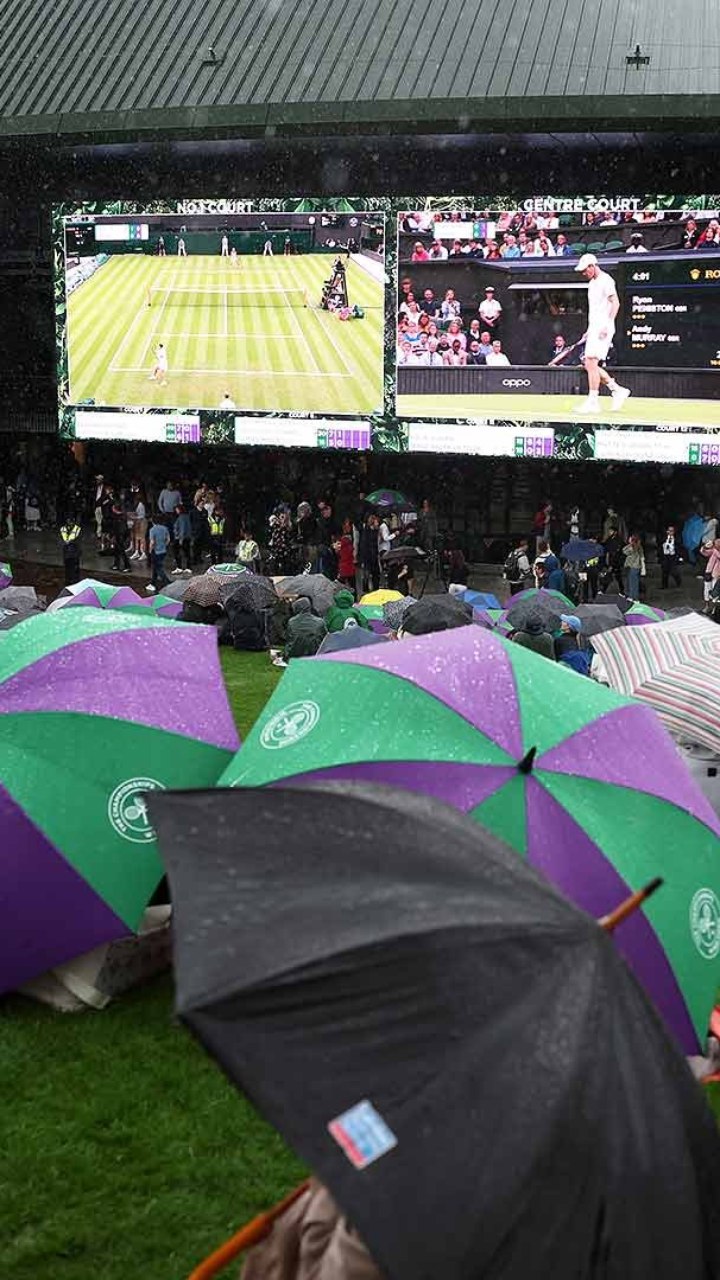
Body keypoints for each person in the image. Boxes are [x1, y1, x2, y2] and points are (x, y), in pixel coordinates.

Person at [574, 254, 630, 413]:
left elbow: (616, 303)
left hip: (604, 328)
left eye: (585, 270)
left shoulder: (607, 280)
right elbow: (596, 310)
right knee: (588, 363)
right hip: (595, 327)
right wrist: (589, 330)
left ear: (592, 266)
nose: (583, 273)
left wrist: (607, 325)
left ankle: (593, 402)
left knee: (590, 361)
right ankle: (617, 390)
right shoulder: (592, 284)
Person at [146, 514, 171, 593]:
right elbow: (168, 539)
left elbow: (152, 542)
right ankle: (153, 582)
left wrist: (150, 550)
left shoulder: (152, 530)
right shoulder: (165, 528)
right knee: (156, 567)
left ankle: (167, 582)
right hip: (163, 550)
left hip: (156, 551)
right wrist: (164, 545)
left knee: (158, 568)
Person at [358, 513, 381, 593]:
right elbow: (364, 544)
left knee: (375, 574)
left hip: (374, 554)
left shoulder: (375, 530)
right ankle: (366, 588)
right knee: (367, 573)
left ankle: (375, 588)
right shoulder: (366, 530)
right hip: (368, 555)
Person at [59, 515, 82, 586]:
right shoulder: (63, 529)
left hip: (74, 551)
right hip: (67, 551)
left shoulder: (77, 529)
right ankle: (69, 580)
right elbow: (66, 540)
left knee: (74, 567)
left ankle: (75, 580)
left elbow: (71, 539)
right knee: (68, 567)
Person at [602, 526, 625, 592]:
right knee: (613, 575)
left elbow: (618, 553)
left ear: (615, 532)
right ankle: (604, 589)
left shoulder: (618, 541)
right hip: (610, 559)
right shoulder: (609, 539)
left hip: (615, 561)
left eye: (611, 531)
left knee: (616, 576)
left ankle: (604, 589)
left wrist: (613, 563)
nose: (609, 533)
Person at [623, 534, 646, 599]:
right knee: (633, 582)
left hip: (634, 566)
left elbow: (624, 551)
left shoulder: (633, 547)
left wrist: (630, 544)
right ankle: (633, 596)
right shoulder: (638, 547)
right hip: (634, 566)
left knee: (633, 582)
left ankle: (633, 596)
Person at [111, 497, 131, 572]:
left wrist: (119, 536)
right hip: (118, 534)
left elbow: (122, 528)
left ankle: (127, 566)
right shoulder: (117, 517)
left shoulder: (121, 517)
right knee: (116, 550)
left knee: (121, 550)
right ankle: (116, 564)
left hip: (120, 535)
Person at [659, 524, 682, 589]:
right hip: (665, 556)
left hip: (673, 556)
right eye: (669, 531)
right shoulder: (663, 537)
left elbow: (679, 546)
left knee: (673, 571)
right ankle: (664, 585)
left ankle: (678, 581)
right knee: (664, 571)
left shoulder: (677, 538)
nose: (670, 532)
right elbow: (660, 545)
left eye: (672, 531)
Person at [172, 505, 192, 573]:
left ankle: (179, 567)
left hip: (180, 538)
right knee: (187, 553)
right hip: (187, 537)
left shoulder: (181, 517)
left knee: (177, 552)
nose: (176, 511)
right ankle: (188, 567)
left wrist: (181, 539)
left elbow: (182, 529)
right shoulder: (187, 516)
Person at [129, 487, 147, 560]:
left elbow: (140, 516)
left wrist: (132, 516)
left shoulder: (141, 505)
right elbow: (136, 514)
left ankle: (143, 553)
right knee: (136, 537)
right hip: (137, 521)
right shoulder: (137, 505)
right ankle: (137, 552)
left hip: (142, 522)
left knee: (142, 538)